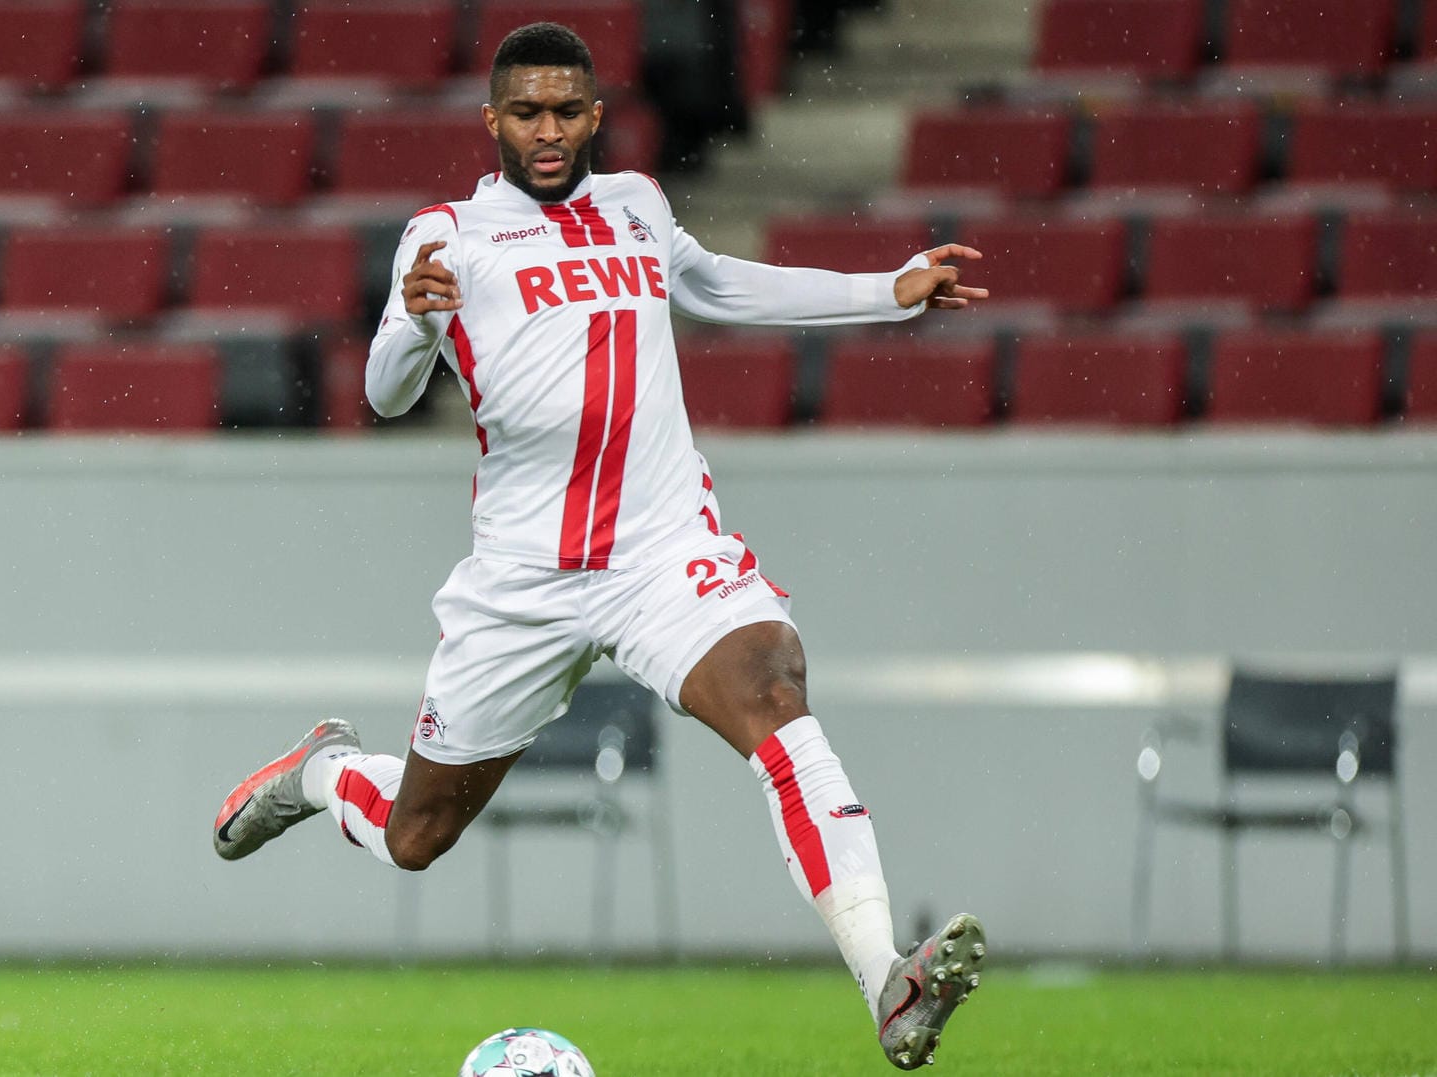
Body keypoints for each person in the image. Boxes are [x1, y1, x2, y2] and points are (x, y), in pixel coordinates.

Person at [213, 22, 989, 1071]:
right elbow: (384, 395)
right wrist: (407, 320)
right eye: (526, 112)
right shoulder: (449, 235)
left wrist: (880, 294)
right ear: (493, 120)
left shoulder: (637, 206)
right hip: (523, 583)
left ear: (594, 115)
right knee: (418, 837)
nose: (548, 130)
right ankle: (322, 773)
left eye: (567, 110)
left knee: (772, 685)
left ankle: (883, 977)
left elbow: (713, 284)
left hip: (661, 553)